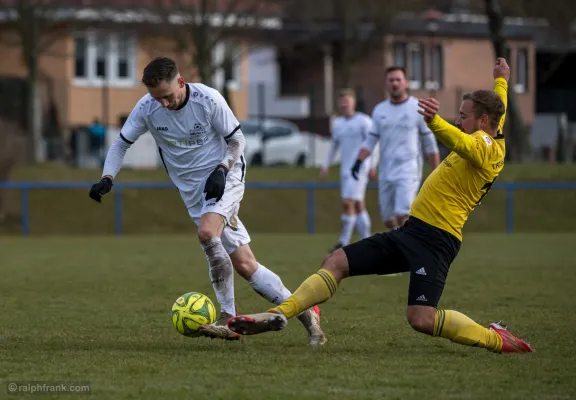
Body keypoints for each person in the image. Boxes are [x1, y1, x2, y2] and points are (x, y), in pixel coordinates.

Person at [227, 58, 534, 354]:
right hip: (412, 231)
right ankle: (278, 313)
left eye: (464, 115)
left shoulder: (487, 147)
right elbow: (499, 110)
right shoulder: (493, 126)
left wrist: (435, 123)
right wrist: (501, 80)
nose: (459, 119)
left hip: (437, 242)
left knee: (421, 319)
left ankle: (496, 339)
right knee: (336, 261)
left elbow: (466, 144)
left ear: (482, 121)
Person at [88, 57, 325, 345]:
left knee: (206, 233)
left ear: (181, 82)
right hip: (193, 193)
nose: (163, 104)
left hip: (225, 176)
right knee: (245, 264)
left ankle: (228, 317)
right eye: (156, 98)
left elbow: (238, 141)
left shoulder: (208, 99)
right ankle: (306, 310)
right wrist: (107, 177)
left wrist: (223, 169)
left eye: (167, 96)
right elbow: (121, 144)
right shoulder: (148, 107)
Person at [351, 66, 440, 230]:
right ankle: (402, 246)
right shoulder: (380, 110)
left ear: (406, 83)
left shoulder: (418, 108)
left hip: (408, 169)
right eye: (391, 80)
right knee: (388, 220)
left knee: (402, 213)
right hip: (386, 171)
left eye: (398, 80)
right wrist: (358, 161)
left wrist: (437, 171)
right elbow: (371, 140)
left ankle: (408, 251)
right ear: (386, 84)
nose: (395, 83)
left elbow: (429, 143)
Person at [320, 89, 376, 252]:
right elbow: (333, 147)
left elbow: (373, 144)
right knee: (358, 205)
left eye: (347, 100)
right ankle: (367, 242)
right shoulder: (338, 124)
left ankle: (344, 241)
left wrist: (372, 165)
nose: (344, 103)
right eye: (342, 101)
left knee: (348, 203)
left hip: (359, 168)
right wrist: (325, 166)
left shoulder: (364, 121)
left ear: (353, 102)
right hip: (345, 170)